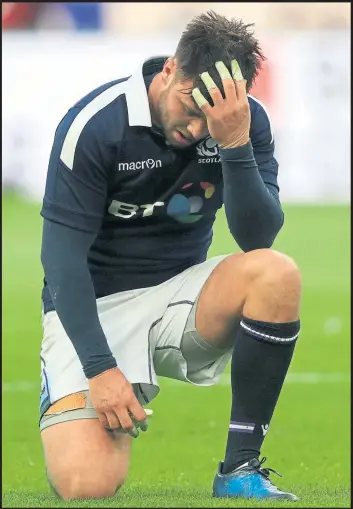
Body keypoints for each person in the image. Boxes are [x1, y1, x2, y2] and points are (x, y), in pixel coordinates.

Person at [39, 11, 301, 501]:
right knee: (86, 485)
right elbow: (60, 260)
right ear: (170, 69)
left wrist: (234, 144)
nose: (198, 127)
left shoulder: (241, 125)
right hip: (93, 310)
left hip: (181, 300)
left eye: (212, 114)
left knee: (276, 273)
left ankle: (240, 469)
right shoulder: (97, 124)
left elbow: (257, 237)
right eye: (190, 105)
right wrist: (99, 368)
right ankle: (68, 388)